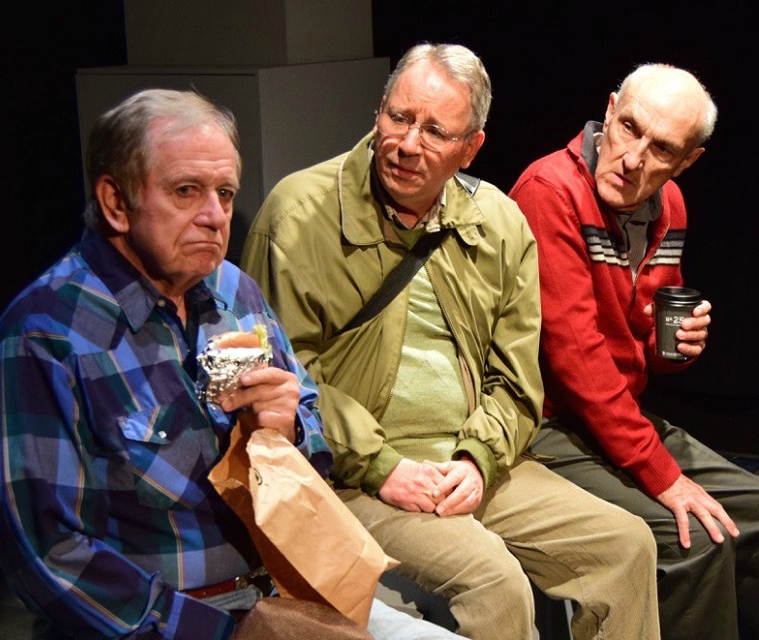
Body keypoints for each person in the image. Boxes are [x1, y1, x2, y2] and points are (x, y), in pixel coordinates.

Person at [0, 88, 462, 640]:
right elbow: (51, 559)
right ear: (115, 202)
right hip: (168, 626)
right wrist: (226, 634)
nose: (214, 216)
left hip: (290, 593)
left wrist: (286, 431)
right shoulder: (41, 341)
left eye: (225, 194)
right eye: (186, 192)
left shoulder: (234, 292)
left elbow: (314, 450)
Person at [240, 43, 661, 640]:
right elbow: (282, 378)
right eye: (399, 118)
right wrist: (382, 464)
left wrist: (478, 458)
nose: (408, 144)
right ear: (378, 111)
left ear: (471, 148)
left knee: (625, 545)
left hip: (472, 460)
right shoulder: (298, 214)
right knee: (495, 581)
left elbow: (517, 379)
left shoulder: (497, 221)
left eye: (436, 131)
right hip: (356, 474)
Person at [508, 63, 759, 640]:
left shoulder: (669, 206)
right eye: (628, 128)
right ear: (611, 109)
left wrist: (680, 349)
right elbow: (577, 364)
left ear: (687, 161)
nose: (632, 157)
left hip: (616, 413)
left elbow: (648, 346)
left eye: (662, 148)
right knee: (689, 537)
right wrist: (661, 474)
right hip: (547, 422)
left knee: (751, 512)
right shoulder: (551, 193)